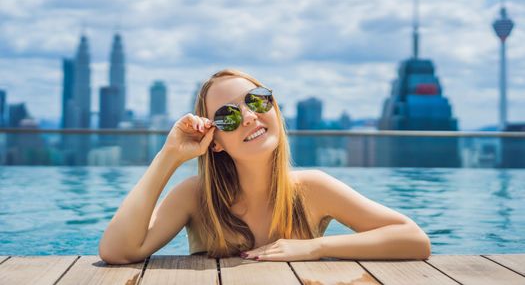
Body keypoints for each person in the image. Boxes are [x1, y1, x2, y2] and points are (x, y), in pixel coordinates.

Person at [98, 69, 431, 264]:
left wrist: (315, 247)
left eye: (257, 100)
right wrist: (168, 156)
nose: (248, 116)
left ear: (274, 109)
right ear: (215, 141)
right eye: (227, 116)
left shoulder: (313, 188)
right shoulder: (195, 196)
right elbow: (118, 251)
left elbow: (413, 239)